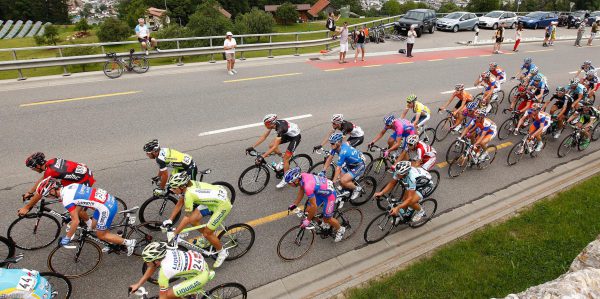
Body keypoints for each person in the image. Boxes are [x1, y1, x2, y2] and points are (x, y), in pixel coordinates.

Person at [37, 178, 136, 255]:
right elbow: (81, 203)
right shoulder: (71, 186)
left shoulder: (66, 199)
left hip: (106, 208)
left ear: (53, 190)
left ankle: (129, 243)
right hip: (106, 201)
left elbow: (76, 222)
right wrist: (73, 215)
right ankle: (112, 241)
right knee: (93, 226)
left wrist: (67, 238)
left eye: (47, 195)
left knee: (100, 234)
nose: (48, 197)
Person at [163, 172, 231, 268]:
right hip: (213, 199)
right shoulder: (188, 184)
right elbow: (180, 203)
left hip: (222, 205)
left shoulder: (189, 194)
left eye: (174, 188)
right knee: (193, 220)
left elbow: (186, 217)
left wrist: (175, 233)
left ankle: (222, 252)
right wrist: (170, 219)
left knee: (208, 233)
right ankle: (208, 239)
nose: (172, 190)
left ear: (182, 187)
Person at [19, 152, 95, 216]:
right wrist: (30, 192)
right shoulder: (52, 161)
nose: (33, 170)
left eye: (33, 168)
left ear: (38, 166)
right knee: (60, 189)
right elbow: (43, 179)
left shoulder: (50, 171)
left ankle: (90, 222)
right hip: (83, 174)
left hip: (84, 180)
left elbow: (41, 192)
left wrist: (27, 207)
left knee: (74, 207)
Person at [130, 242, 215, 299]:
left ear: (156, 261)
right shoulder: (167, 251)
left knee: (168, 296)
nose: (145, 262)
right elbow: (152, 267)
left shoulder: (165, 272)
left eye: (147, 261)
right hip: (199, 265)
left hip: (200, 276)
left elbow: (164, 297)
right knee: (182, 294)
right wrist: (138, 284)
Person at [285, 167, 346, 242]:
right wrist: (295, 204)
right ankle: (321, 224)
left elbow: (314, 207)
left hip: (330, 195)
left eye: (290, 183)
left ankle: (340, 229)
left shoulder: (308, 187)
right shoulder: (302, 176)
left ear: (296, 180)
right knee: (307, 210)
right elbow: (301, 190)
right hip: (320, 191)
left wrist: (308, 220)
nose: (289, 185)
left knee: (327, 218)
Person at [247, 114, 302, 188]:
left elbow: (275, 146)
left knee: (285, 159)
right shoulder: (273, 124)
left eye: (266, 124)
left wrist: (263, 156)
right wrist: (252, 146)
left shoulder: (280, 129)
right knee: (271, 145)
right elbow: (264, 136)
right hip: (287, 134)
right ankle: (283, 155)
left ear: (271, 123)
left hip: (295, 137)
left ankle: (285, 179)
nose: (265, 125)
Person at [320, 133, 365, 200]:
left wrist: (333, 182)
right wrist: (323, 171)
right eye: (331, 143)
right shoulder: (336, 147)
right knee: (340, 180)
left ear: (338, 143)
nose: (331, 145)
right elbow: (329, 158)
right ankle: (344, 193)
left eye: (332, 143)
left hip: (358, 166)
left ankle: (357, 189)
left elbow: (338, 168)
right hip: (349, 164)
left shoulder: (343, 152)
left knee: (343, 181)